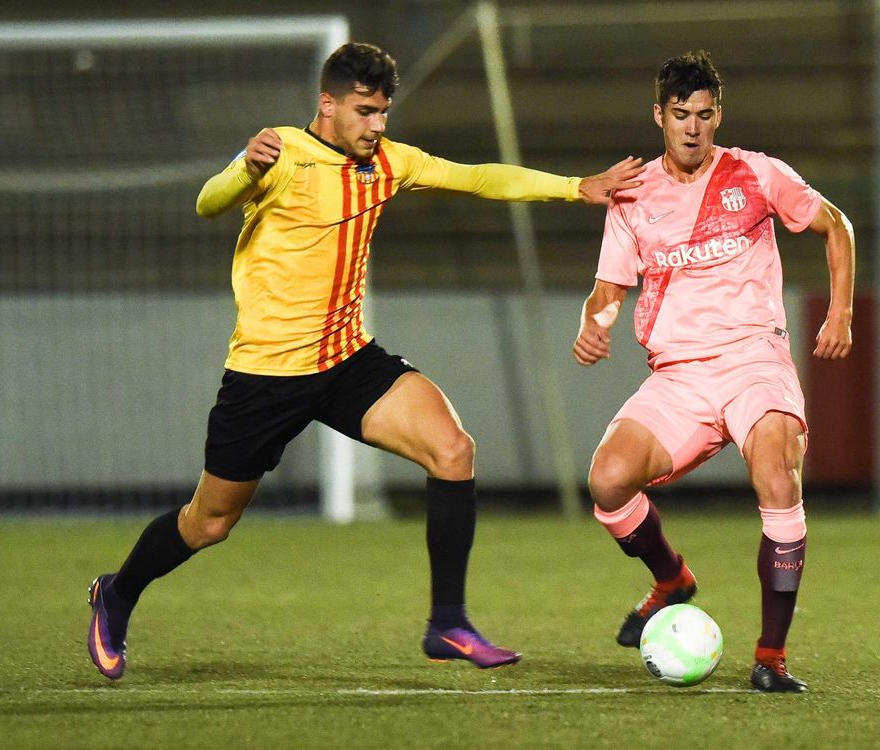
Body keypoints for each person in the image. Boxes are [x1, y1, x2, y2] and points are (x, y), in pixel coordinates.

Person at [86, 42, 642, 680]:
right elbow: (208, 202)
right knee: (208, 522)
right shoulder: (283, 154)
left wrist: (578, 188)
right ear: (328, 104)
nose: (377, 125)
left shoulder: (391, 162)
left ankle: (448, 622)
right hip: (266, 376)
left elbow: (481, 177)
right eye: (365, 111)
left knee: (453, 452)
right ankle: (118, 592)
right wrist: (243, 163)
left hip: (348, 363)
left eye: (383, 112)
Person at [572, 50, 854, 693]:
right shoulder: (634, 193)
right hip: (679, 375)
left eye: (704, 115)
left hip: (754, 360)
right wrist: (595, 321)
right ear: (658, 117)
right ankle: (672, 581)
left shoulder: (757, 173)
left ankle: (771, 659)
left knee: (777, 481)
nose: (693, 128)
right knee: (608, 481)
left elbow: (836, 226)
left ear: (717, 114)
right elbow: (609, 287)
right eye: (680, 116)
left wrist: (839, 313)